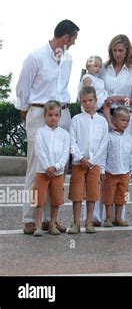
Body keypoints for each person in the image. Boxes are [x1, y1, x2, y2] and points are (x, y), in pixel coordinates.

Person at [15, 19, 79, 235]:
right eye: (73, 40)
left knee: (58, 168)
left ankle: (50, 220)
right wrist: (27, 112)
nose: (73, 44)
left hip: (62, 113)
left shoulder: (68, 59)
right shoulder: (36, 57)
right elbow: (22, 88)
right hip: (39, 112)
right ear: (65, 38)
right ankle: (29, 219)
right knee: (35, 168)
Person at [92, 34, 132, 225]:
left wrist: (119, 98)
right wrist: (107, 119)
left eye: (121, 50)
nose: (117, 54)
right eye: (114, 50)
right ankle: (97, 215)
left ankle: (118, 216)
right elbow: (95, 92)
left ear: (127, 50)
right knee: (102, 162)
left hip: (123, 116)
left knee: (120, 160)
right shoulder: (103, 69)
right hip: (103, 117)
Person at [68, 86, 109, 234]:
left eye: (90, 100)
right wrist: (81, 158)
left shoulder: (102, 122)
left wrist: (94, 161)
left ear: (96, 100)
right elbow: (72, 142)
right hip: (79, 163)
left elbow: (104, 143)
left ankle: (89, 222)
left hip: (94, 164)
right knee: (77, 193)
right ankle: (76, 223)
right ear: (80, 101)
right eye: (84, 101)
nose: (87, 103)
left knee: (92, 193)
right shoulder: (76, 120)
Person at [32, 101, 70, 236]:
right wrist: (47, 166)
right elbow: (39, 150)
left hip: (57, 173)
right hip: (42, 172)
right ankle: (38, 226)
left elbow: (65, 153)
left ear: (60, 116)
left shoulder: (64, 134)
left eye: (56, 115)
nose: (53, 118)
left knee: (56, 199)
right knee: (39, 200)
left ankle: (53, 224)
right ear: (45, 116)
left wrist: (57, 166)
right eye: (50, 115)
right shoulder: (40, 132)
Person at [102, 107, 132, 227]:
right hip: (110, 172)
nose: (125, 123)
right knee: (108, 196)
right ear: (114, 120)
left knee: (122, 196)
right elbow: (103, 155)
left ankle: (119, 218)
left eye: (127, 121)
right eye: (123, 120)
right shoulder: (108, 137)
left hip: (124, 173)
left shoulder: (129, 138)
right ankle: (108, 218)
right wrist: (102, 170)